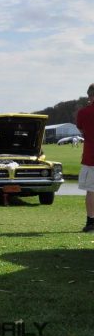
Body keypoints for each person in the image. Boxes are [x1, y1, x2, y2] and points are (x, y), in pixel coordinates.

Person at [77, 83, 94, 232]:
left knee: (91, 191)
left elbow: (81, 128)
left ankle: (91, 221)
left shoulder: (83, 112)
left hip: (90, 158)